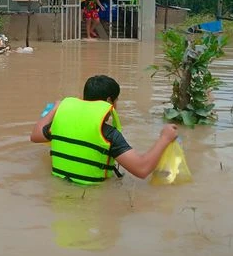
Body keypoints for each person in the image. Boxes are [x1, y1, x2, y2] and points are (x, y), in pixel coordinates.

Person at [30, 75, 178, 185]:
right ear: (109, 101)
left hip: (59, 191)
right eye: (117, 100)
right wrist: (165, 138)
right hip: (92, 195)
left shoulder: (61, 123)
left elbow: (35, 135)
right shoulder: (108, 134)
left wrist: (56, 109)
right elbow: (142, 169)